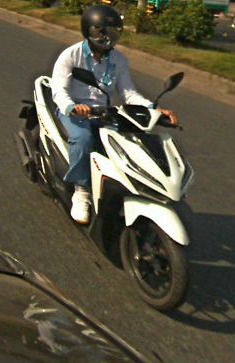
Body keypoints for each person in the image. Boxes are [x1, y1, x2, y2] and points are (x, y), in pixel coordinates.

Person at [51, 4, 177, 225]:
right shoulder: (70, 56)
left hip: (104, 112)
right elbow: (59, 91)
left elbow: (128, 92)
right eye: (105, 33)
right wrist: (73, 107)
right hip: (74, 112)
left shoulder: (119, 60)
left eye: (114, 33)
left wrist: (152, 109)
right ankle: (81, 191)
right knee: (83, 139)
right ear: (92, 31)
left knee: (128, 141)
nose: (110, 38)